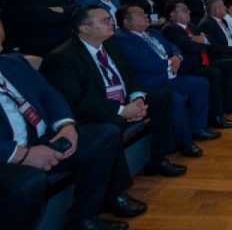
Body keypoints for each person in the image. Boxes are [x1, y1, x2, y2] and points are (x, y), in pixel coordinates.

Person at [0, 53, 146, 230]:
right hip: (7, 153)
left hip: (40, 137)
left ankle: (83, 218)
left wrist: (66, 126)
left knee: (105, 135)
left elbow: (49, 95)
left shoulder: (15, 63)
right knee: (28, 182)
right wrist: (21, 154)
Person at [40, 7, 187, 177]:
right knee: (112, 121)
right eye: (105, 21)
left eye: (110, 19)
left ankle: (158, 159)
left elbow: (130, 76)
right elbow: (76, 101)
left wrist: (138, 98)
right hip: (97, 109)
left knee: (162, 98)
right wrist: (122, 110)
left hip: (122, 101)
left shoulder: (111, 44)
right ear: (84, 28)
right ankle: (117, 183)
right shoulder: (62, 57)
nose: (111, 23)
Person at [115, 5, 219, 158]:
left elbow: (174, 47)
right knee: (175, 100)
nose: (146, 15)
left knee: (201, 84)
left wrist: (178, 57)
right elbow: (140, 62)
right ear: (126, 22)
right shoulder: (122, 39)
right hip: (151, 83)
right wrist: (169, 63)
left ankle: (198, 128)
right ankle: (185, 143)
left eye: (145, 13)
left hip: (170, 76)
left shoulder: (154, 33)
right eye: (140, 14)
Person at [162, 1, 232, 128]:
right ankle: (216, 116)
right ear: (172, 14)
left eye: (188, 9)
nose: (189, 12)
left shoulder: (191, 26)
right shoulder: (170, 29)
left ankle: (230, 103)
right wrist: (203, 42)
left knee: (230, 64)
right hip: (188, 68)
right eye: (184, 10)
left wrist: (203, 41)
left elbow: (210, 41)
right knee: (213, 74)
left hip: (202, 62)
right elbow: (189, 47)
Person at [2, 0, 76, 56]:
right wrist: (68, 11)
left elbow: (77, 9)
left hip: (60, 37)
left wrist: (62, 9)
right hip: (35, 46)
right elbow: (51, 19)